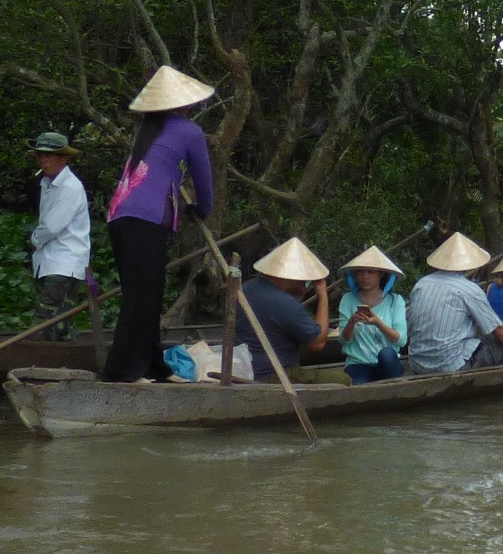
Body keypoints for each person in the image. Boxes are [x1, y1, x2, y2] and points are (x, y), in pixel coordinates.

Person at [100, 66, 215, 382]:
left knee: (144, 294)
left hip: (120, 215)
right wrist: (202, 210)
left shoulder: (147, 131)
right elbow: (204, 183)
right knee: (142, 297)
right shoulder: (189, 131)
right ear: (184, 104)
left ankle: (153, 365)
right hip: (145, 219)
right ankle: (122, 371)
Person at [403, 232, 503, 374]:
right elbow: (501, 330)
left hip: (417, 363)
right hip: (450, 365)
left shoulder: (421, 284)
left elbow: (410, 324)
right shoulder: (469, 289)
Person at [234, 238, 330, 381]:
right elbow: (317, 343)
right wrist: (323, 295)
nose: (307, 283)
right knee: (344, 379)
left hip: (243, 368)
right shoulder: (285, 304)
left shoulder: (247, 288)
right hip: (274, 374)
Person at [28, 131, 90, 338]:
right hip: (50, 261)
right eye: (40, 155)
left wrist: (34, 240)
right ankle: (58, 356)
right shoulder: (47, 183)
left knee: (46, 318)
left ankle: (42, 358)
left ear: (63, 158)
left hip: (63, 263)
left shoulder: (70, 187)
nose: (43, 160)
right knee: (58, 322)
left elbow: (52, 226)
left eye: (49, 156)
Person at [335, 247, 407, 383]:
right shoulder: (348, 299)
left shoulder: (395, 300)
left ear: (380, 274)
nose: (364, 277)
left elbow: (401, 340)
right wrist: (352, 322)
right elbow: (344, 341)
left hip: (387, 364)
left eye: (370, 272)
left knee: (387, 354)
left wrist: (377, 323)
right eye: (360, 272)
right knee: (359, 389)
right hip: (358, 364)